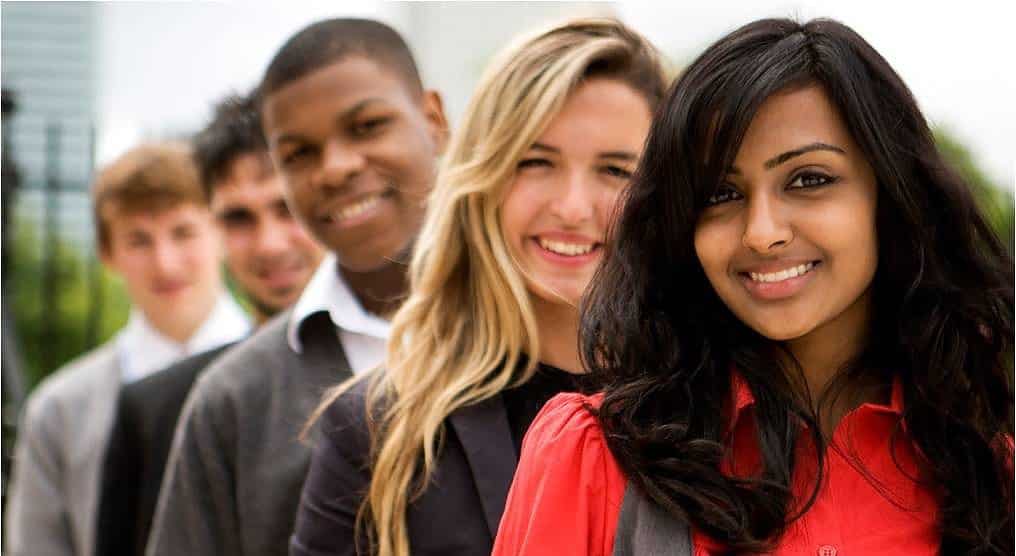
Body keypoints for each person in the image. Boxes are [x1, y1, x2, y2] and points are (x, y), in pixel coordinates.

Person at [492, 17, 1015, 556]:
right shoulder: (592, 455)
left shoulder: (990, 481)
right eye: (719, 194)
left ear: (891, 195)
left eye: (809, 179)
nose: (762, 233)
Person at [290, 18, 667, 556]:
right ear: (485, 177)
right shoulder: (377, 430)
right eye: (537, 162)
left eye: (614, 170)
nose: (572, 207)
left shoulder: (724, 404)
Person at [146, 18, 448, 556]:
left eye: (368, 126)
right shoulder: (235, 399)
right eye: (299, 154)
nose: (335, 168)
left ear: (434, 121)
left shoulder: (542, 338)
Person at [93, 91, 325, 556]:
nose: (270, 244)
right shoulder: (159, 408)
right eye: (239, 217)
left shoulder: (435, 367)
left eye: (287, 208)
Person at [5, 142, 251, 556]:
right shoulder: (60, 409)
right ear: (107, 253)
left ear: (221, 233)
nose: (165, 262)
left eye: (183, 232)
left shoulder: (286, 373)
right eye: (139, 240)